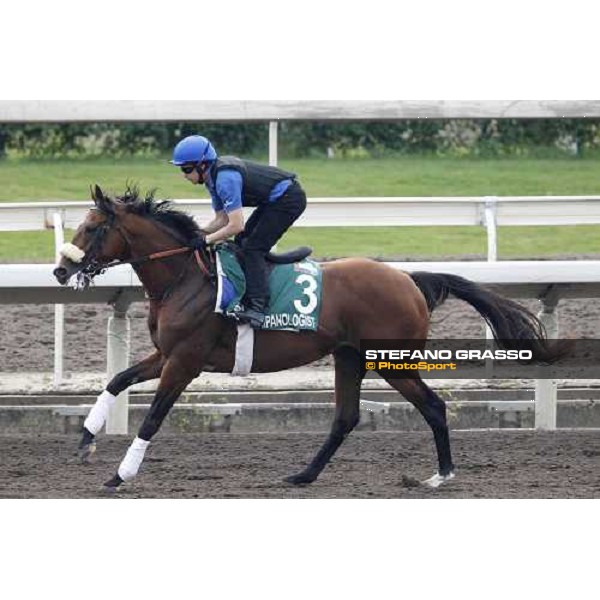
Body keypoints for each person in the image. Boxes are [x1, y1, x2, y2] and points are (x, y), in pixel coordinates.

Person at [171, 134, 307, 328]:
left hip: (289, 199)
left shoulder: (225, 180)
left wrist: (207, 240)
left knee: (252, 248)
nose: (184, 175)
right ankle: (252, 287)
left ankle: (259, 307)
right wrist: (199, 234)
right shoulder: (212, 179)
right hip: (274, 200)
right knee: (242, 242)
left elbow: (236, 225)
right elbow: (222, 219)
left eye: (186, 169)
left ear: (202, 165)